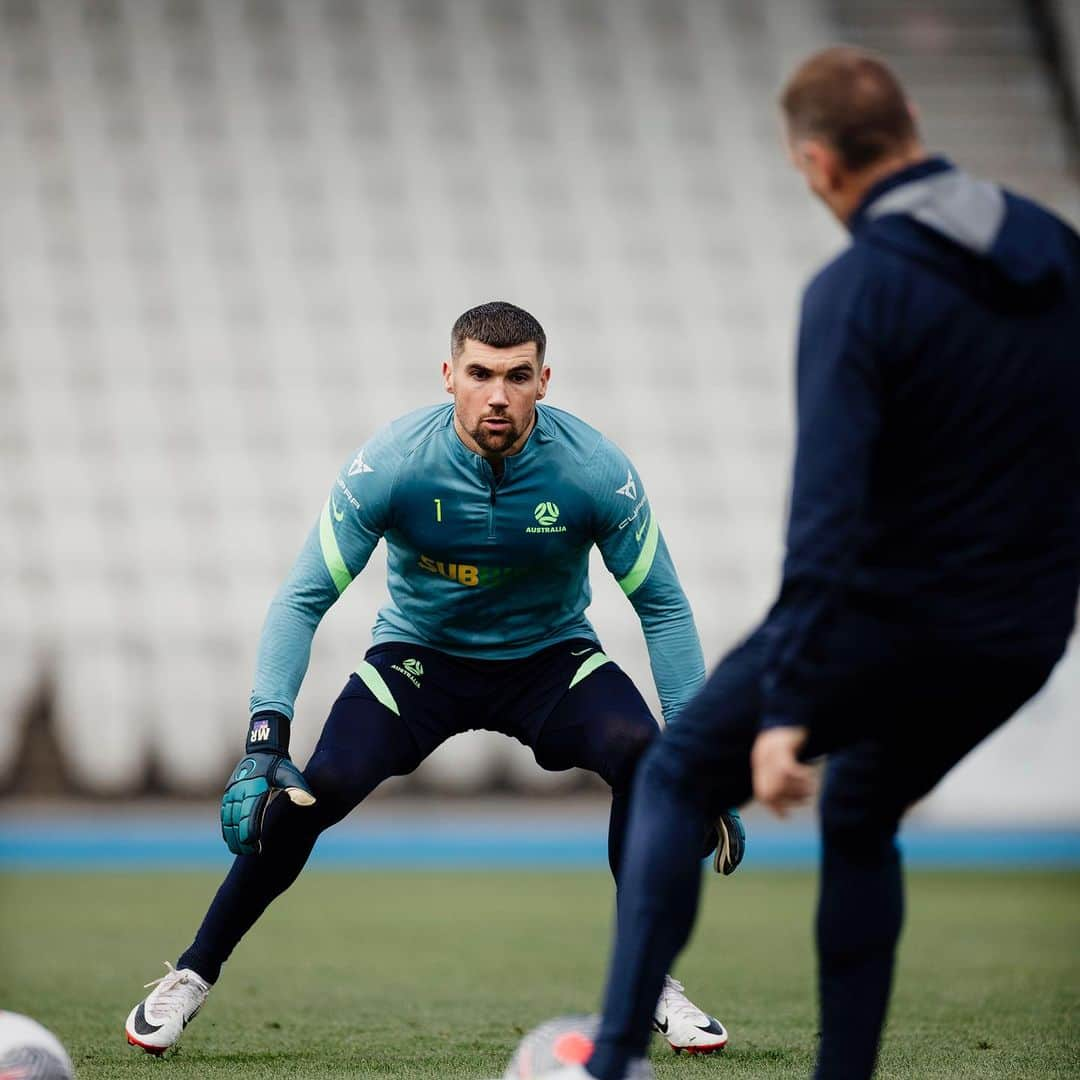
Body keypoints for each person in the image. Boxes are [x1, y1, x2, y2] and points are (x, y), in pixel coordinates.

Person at [551, 46, 1080, 1080]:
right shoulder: (1056, 248)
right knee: (864, 805)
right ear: (913, 119)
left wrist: (789, 707)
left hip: (886, 620)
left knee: (673, 774)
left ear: (818, 164)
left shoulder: (857, 289)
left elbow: (826, 518)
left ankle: (610, 1062)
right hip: (1020, 634)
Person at [123, 300, 742, 1057]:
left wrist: (698, 748)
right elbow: (302, 598)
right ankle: (191, 973)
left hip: (548, 660)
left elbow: (665, 608)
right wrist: (264, 733)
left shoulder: (594, 472)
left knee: (650, 761)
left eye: (517, 376)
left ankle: (651, 985)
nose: (497, 395)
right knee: (313, 790)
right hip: (421, 660)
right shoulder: (393, 464)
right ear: (448, 376)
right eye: (480, 374)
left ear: (544, 381)